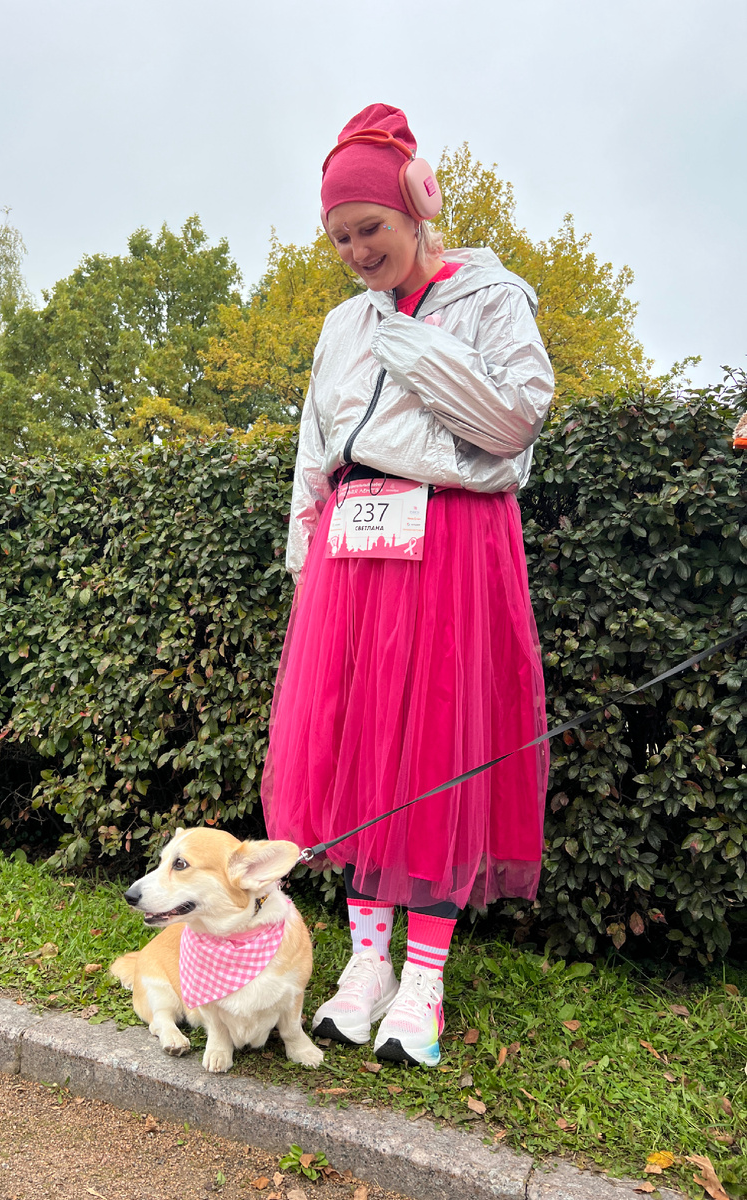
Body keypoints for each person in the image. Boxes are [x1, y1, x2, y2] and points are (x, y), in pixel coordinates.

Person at [261, 103, 554, 1067]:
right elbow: (315, 448)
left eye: (371, 229)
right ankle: (366, 965)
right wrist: (307, 557)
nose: (356, 250)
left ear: (419, 208)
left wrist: (416, 348)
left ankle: (422, 982)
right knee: (353, 748)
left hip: (452, 546)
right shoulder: (342, 325)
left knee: (433, 748)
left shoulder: (491, 297)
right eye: (340, 236)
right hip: (351, 553)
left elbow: (514, 423)